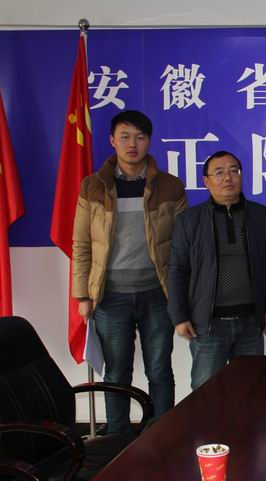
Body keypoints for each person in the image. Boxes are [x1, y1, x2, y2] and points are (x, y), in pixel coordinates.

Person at [72, 109, 187, 432]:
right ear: (112, 140)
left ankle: (163, 434)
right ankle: (117, 439)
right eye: (125, 136)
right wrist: (82, 295)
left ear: (149, 141)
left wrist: (180, 295)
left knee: (159, 370)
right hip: (110, 297)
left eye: (140, 137)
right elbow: (81, 243)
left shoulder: (169, 186)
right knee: (117, 372)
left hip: (157, 295)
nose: (132, 144)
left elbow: (183, 247)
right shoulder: (93, 187)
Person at [168, 151, 266, 390]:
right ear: (206, 181)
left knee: (252, 391)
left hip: (250, 323)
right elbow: (177, 270)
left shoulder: (261, 215)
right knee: (206, 393)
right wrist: (179, 316)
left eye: (234, 171)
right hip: (208, 325)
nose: (228, 177)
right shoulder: (189, 220)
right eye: (219, 172)